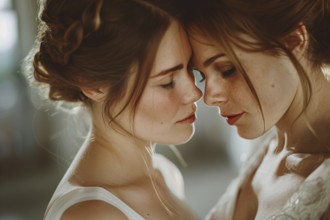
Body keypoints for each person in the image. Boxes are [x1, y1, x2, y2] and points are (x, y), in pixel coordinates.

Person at [24, 0, 202, 219]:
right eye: (167, 82)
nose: (195, 92)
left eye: (190, 68)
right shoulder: (91, 215)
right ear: (93, 84)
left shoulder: (165, 174)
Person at [181, 0, 330, 219]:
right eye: (202, 76)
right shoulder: (263, 147)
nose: (209, 98)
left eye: (228, 69)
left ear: (293, 42)